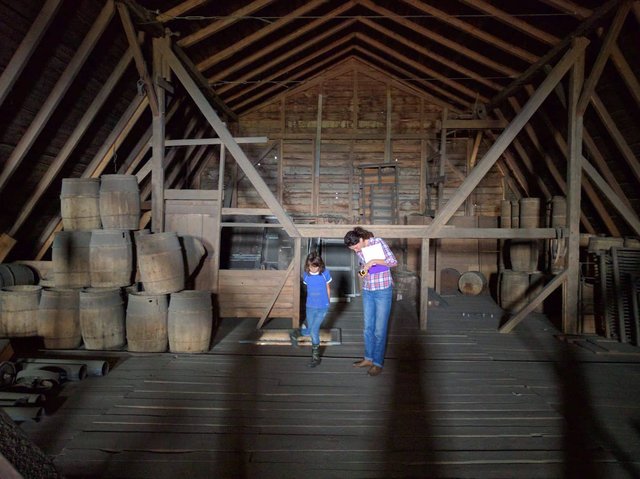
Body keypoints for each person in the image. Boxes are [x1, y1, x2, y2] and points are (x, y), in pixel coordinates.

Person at [344, 227, 397, 376]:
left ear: (360, 240)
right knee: (368, 327)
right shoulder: (360, 250)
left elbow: (393, 262)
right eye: (352, 249)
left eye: (356, 247)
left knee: (379, 330)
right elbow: (363, 270)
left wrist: (373, 261)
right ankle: (368, 358)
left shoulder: (377, 242)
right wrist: (362, 272)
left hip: (382, 291)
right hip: (368, 290)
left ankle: (377, 363)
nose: (356, 251)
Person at [291, 251, 332, 367]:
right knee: (311, 329)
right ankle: (296, 333)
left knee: (314, 331)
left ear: (320, 265)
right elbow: (307, 288)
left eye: (315, 266)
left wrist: (328, 301)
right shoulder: (306, 275)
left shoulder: (325, 273)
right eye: (310, 266)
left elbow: (328, 288)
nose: (313, 269)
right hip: (310, 307)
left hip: (322, 307)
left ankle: (315, 357)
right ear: (307, 265)